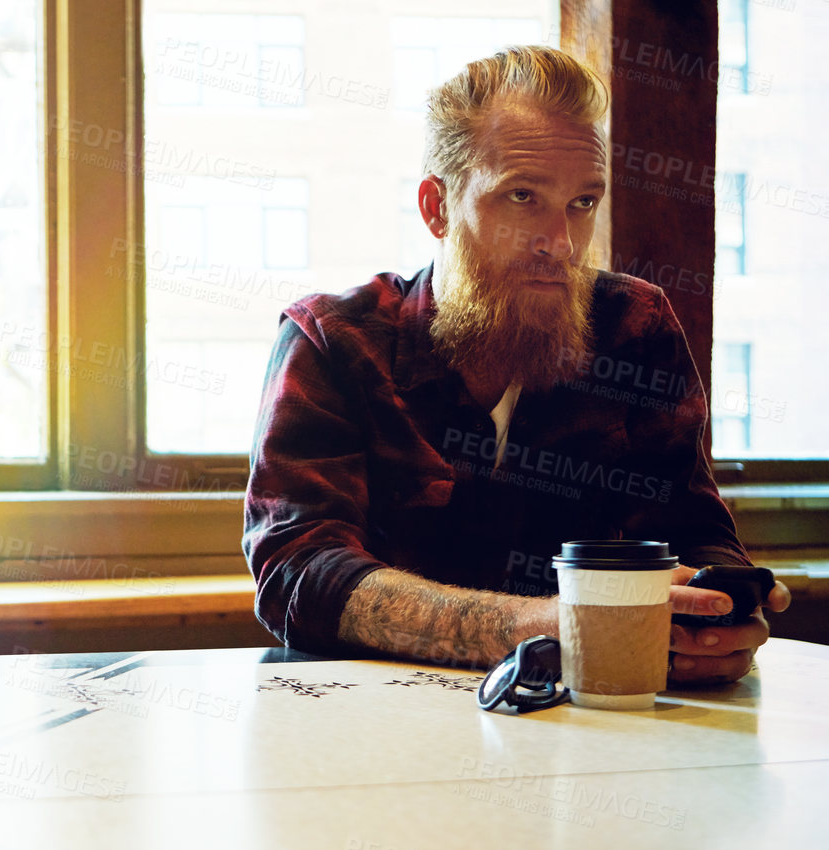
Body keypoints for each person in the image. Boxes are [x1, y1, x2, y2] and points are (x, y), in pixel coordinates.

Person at [242, 45, 789, 682]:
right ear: (436, 208)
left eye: (584, 202)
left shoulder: (633, 329)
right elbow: (298, 573)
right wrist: (541, 626)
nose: (560, 243)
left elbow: (694, 533)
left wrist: (715, 618)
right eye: (522, 196)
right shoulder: (333, 341)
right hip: (375, 735)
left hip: (599, 733)